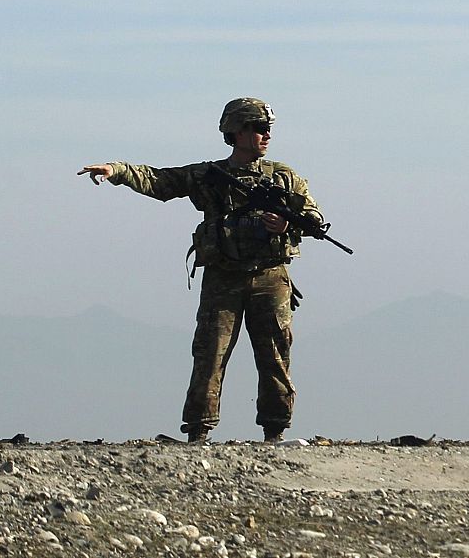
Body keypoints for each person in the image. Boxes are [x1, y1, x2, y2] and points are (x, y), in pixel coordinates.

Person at [79, 97, 323, 443]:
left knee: (274, 354)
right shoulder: (210, 176)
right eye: (258, 128)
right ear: (236, 132)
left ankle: (275, 431)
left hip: (270, 276)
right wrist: (115, 171)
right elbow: (160, 181)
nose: (266, 135)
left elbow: (312, 219)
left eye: (268, 129)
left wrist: (285, 225)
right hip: (223, 277)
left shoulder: (284, 177)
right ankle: (199, 430)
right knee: (211, 351)